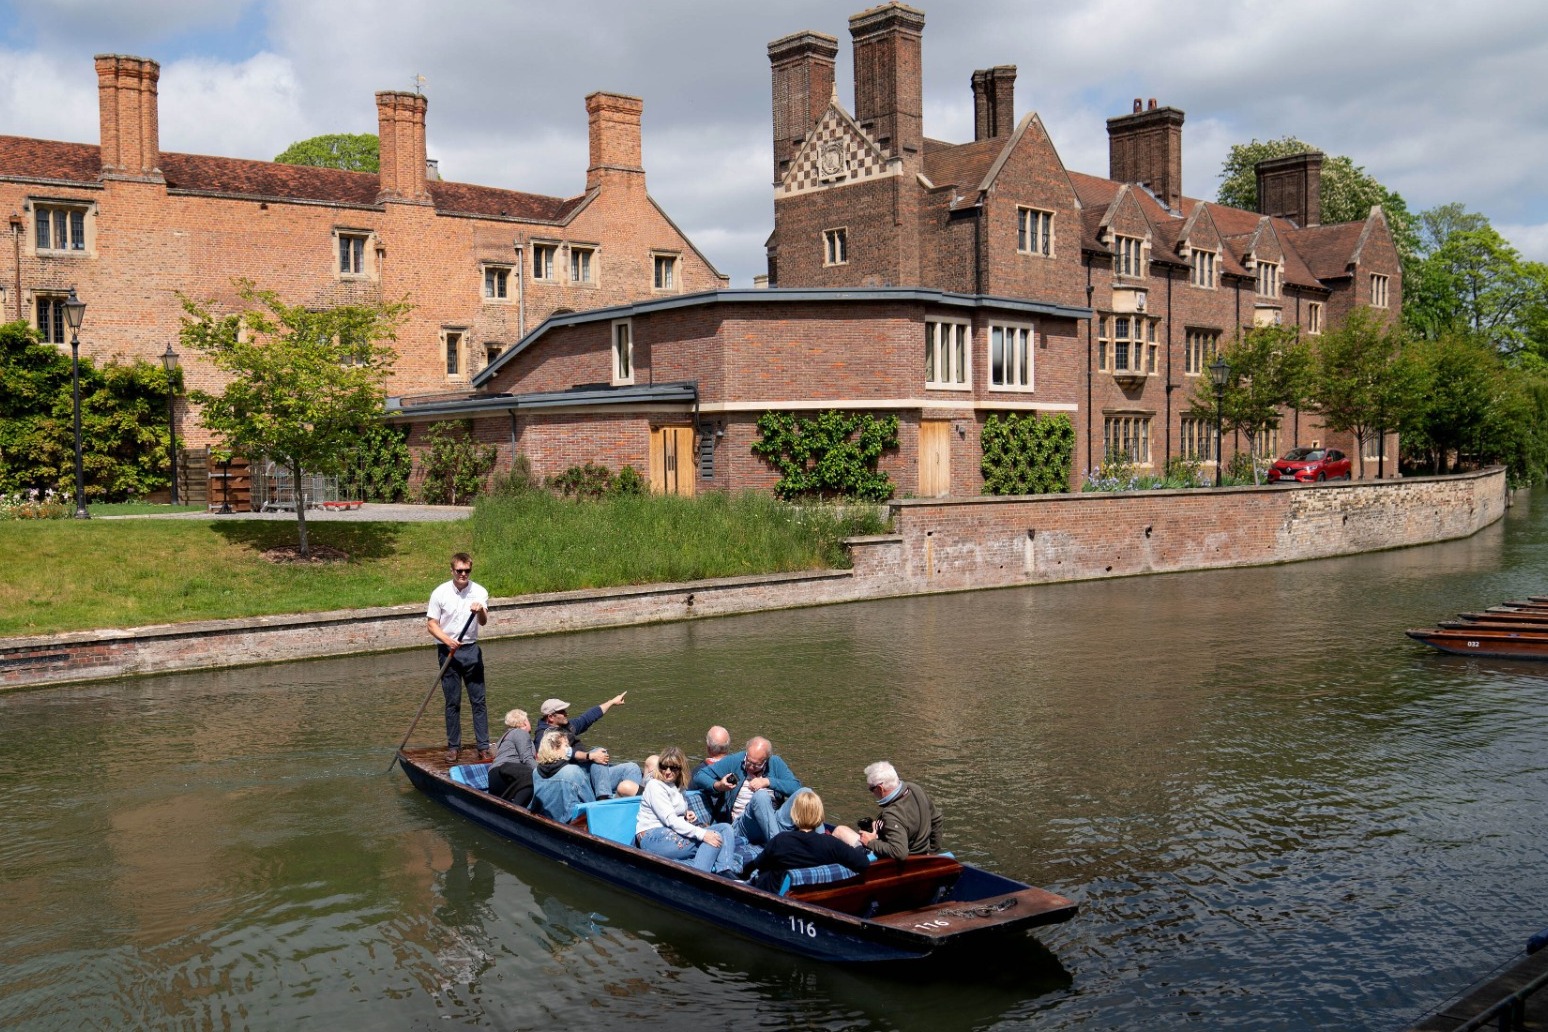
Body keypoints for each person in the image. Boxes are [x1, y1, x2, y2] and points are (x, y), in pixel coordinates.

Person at [634, 746, 739, 875]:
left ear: (680, 769)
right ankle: (699, 876)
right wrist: (703, 834)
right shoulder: (655, 786)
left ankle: (725, 871)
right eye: (663, 767)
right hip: (653, 837)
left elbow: (674, 812)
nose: (667, 772)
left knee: (725, 829)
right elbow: (670, 819)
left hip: (671, 831)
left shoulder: (679, 787)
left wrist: (685, 815)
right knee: (712, 838)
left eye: (673, 768)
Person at [739, 790, 870, 893]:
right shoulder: (831, 844)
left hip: (777, 895)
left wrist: (743, 872)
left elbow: (756, 865)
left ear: (794, 814)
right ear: (820, 814)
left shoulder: (781, 841)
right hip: (814, 896)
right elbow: (863, 863)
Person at [427, 552, 491, 763]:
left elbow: (483, 622)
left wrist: (480, 610)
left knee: (478, 701)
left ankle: (483, 746)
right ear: (452, 570)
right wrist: (447, 640)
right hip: (448, 651)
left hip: (471, 650)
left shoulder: (479, 591)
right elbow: (431, 624)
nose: (463, 574)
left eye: (467, 571)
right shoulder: (440, 593)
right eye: (459, 570)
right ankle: (454, 747)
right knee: (452, 702)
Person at [690, 735, 802, 846]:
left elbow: (796, 787)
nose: (751, 767)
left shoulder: (775, 763)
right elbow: (700, 776)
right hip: (744, 825)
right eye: (748, 761)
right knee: (761, 796)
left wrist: (768, 782)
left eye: (756, 765)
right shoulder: (735, 760)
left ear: (766, 760)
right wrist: (719, 785)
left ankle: (811, 842)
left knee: (805, 793)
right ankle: (778, 846)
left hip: (774, 820)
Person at [531, 695, 641, 801]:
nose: (566, 714)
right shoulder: (545, 736)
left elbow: (588, 718)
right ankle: (603, 799)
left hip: (591, 773)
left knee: (632, 768)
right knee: (598, 752)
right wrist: (590, 756)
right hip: (576, 778)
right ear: (551, 717)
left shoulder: (566, 726)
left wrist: (612, 702)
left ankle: (635, 804)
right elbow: (561, 752)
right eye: (562, 712)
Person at [855, 761, 943, 859]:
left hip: (906, 859)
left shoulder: (891, 813)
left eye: (871, 789)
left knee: (843, 831)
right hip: (923, 852)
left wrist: (871, 842)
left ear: (880, 788)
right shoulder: (915, 788)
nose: (872, 793)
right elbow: (936, 820)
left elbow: (899, 852)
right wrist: (932, 852)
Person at [487, 708, 535, 807]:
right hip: (504, 772)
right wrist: (543, 774)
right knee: (532, 776)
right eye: (528, 720)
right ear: (524, 723)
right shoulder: (520, 733)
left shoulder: (506, 736)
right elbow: (527, 758)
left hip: (496, 777)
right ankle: (516, 809)